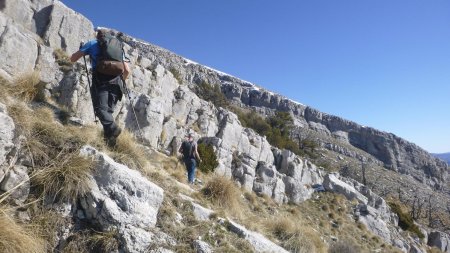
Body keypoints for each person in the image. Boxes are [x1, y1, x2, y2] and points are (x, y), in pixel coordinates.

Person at [70, 29, 130, 146]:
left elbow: (73, 59)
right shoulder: (118, 47)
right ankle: (110, 144)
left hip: (101, 80)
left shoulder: (92, 43)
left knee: (100, 110)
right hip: (117, 82)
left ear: (98, 36)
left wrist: (81, 49)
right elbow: (127, 70)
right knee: (108, 112)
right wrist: (120, 82)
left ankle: (113, 128)